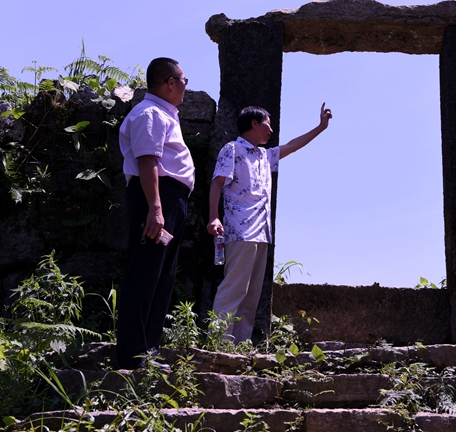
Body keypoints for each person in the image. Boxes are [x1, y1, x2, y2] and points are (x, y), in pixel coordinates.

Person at [207, 103, 332, 343]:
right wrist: (214, 216)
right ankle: (217, 341)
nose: (271, 130)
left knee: (251, 295)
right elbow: (217, 183)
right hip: (240, 230)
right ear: (254, 124)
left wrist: (320, 128)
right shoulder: (232, 149)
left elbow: (293, 146)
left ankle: (239, 346)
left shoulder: (265, 155)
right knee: (234, 288)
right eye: (267, 124)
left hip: (262, 232)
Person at [116, 57, 195, 369]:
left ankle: (147, 352)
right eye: (184, 79)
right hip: (156, 196)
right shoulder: (149, 113)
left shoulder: (164, 114)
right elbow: (148, 161)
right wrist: (156, 209)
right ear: (170, 82)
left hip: (169, 198)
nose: (187, 85)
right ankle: (133, 356)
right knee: (145, 274)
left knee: (161, 277)